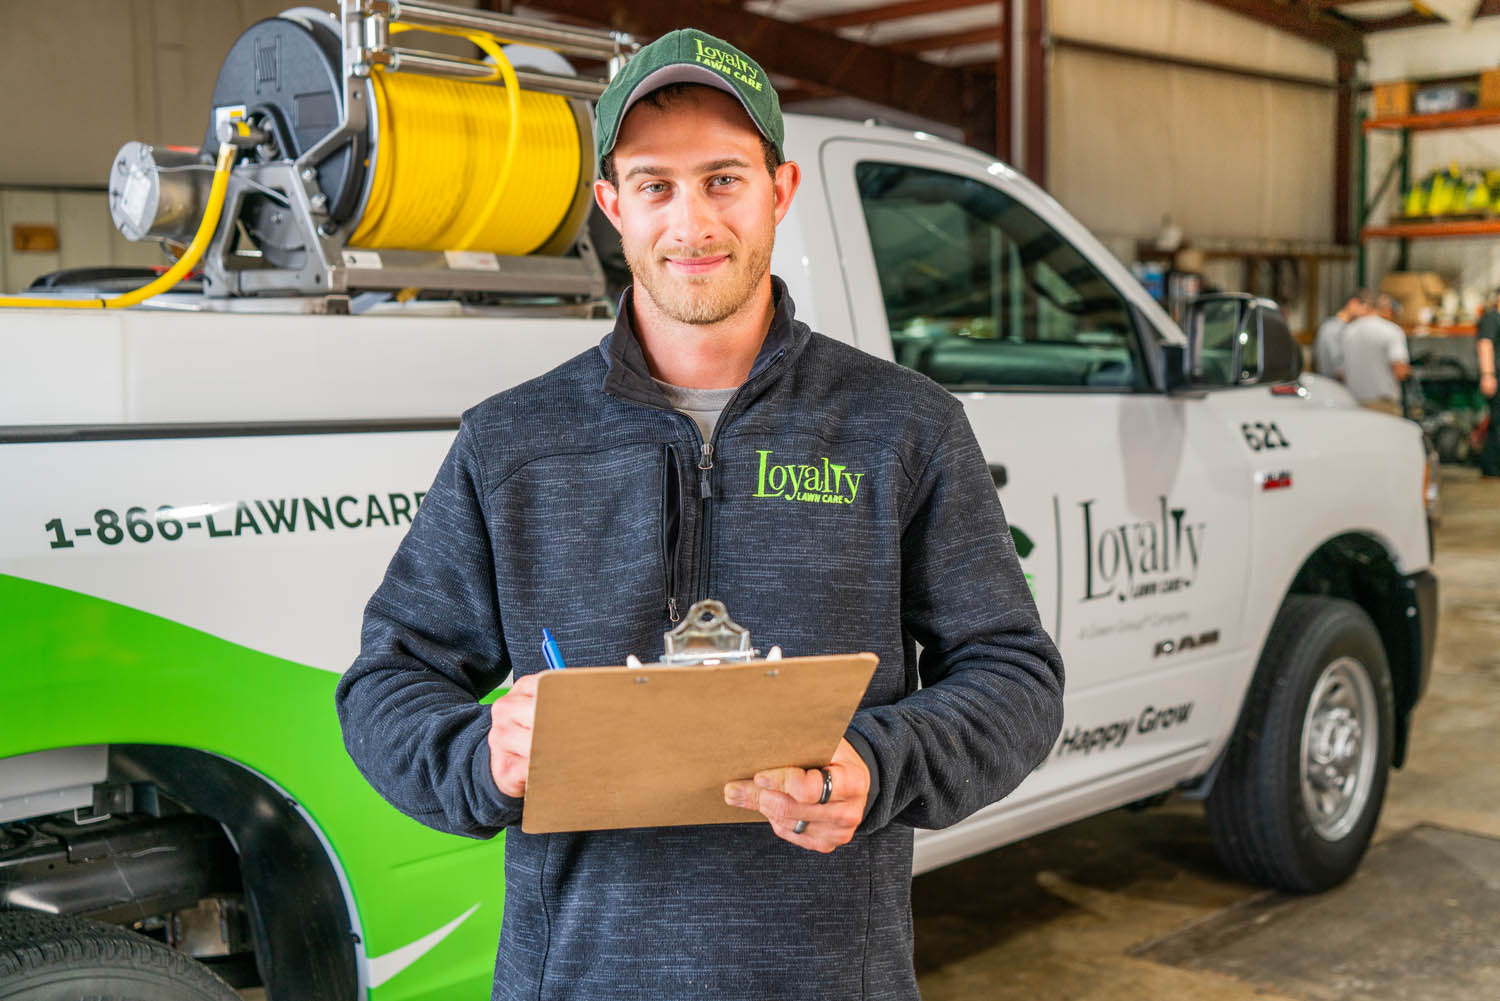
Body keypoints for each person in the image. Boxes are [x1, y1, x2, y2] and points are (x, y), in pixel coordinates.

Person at [334, 27, 1065, 1001]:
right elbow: (387, 684)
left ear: (780, 190)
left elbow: (1015, 677)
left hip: (832, 974)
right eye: (655, 185)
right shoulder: (512, 446)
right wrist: (482, 754)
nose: (692, 221)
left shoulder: (904, 429)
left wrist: (880, 763)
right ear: (611, 206)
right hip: (581, 978)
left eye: (724, 179)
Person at [1340, 293, 1411, 415]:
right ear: (1388, 310)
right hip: (1382, 403)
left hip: (1353, 401)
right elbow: (1399, 370)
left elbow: (1341, 370)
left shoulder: (1348, 331)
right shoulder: (1392, 331)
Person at [1313, 289, 1373, 379]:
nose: (1365, 315)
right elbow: (1337, 364)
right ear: (1354, 302)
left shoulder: (1341, 327)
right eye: (1366, 309)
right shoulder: (1333, 328)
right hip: (1333, 385)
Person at [1478, 290, 1500, 477]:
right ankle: (1492, 467)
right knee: (1497, 421)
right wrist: (1488, 374)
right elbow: (1485, 345)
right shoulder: (1491, 319)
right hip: (1496, 376)